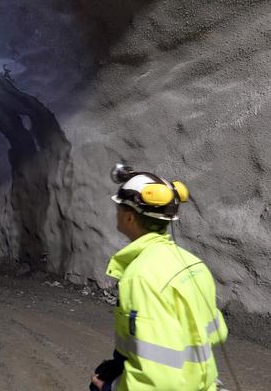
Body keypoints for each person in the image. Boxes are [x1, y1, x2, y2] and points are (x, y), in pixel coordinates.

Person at [90, 164, 228, 391]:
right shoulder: (194, 264)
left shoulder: (141, 276)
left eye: (119, 208)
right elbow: (216, 332)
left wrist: (111, 388)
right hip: (202, 384)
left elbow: (158, 375)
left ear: (129, 218)